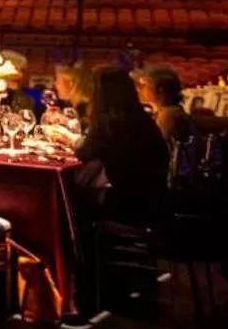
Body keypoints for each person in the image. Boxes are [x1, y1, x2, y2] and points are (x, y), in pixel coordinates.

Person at [73, 68, 170, 222]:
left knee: (69, 194)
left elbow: (83, 155)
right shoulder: (140, 117)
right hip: (152, 201)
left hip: (128, 206)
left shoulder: (110, 123)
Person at [137, 66, 190, 144]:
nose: (140, 89)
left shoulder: (168, 114)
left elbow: (155, 146)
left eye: (145, 85)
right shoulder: (164, 112)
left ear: (160, 90)